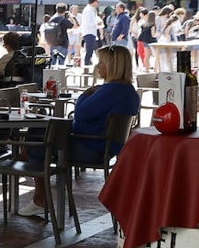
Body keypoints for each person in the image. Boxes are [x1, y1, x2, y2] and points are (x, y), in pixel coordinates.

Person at [20, 45, 139, 216]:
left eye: (102, 63)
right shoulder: (129, 91)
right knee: (39, 136)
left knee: (38, 138)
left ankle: (38, 193)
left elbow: (81, 113)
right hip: (107, 148)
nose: (98, 67)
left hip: (90, 147)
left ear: (113, 65)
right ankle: (27, 162)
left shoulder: (109, 90)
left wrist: (88, 92)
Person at [79, 0, 101, 67]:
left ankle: (87, 65)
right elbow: (88, 23)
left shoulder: (91, 10)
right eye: (97, 2)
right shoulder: (88, 10)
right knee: (89, 51)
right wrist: (97, 23)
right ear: (94, 2)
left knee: (90, 51)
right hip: (89, 32)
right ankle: (86, 66)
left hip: (91, 32)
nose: (97, 3)